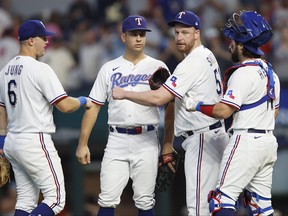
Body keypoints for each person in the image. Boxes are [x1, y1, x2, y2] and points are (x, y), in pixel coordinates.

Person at [112, 11, 229, 216]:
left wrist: (123, 93)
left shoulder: (191, 63)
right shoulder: (207, 54)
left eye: (185, 32)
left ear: (197, 33)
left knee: (198, 208)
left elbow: (159, 99)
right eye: (176, 32)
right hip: (214, 136)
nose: (180, 37)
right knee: (215, 205)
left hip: (202, 139)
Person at [75, 15, 174, 216]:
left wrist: (167, 143)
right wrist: (82, 143)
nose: (138, 38)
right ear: (123, 37)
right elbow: (93, 106)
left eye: (142, 34)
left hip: (147, 138)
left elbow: (171, 107)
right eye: (133, 34)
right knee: (107, 199)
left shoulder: (159, 66)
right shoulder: (109, 68)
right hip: (116, 139)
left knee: (146, 201)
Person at [184, 11, 280, 216]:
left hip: (246, 141)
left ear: (242, 46)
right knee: (261, 206)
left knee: (221, 201)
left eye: (233, 42)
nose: (230, 45)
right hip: (268, 143)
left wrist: (196, 105)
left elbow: (223, 110)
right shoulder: (271, 72)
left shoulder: (244, 72)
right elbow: (275, 112)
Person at [0, 19, 92, 216]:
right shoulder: (40, 68)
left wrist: (1, 140)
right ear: (31, 41)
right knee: (56, 200)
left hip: (13, 141)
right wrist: (84, 100)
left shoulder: (5, 71)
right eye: (43, 37)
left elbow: (1, 109)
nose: (47, 41)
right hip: (35, 140)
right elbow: (65, 105)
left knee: (25, 201)